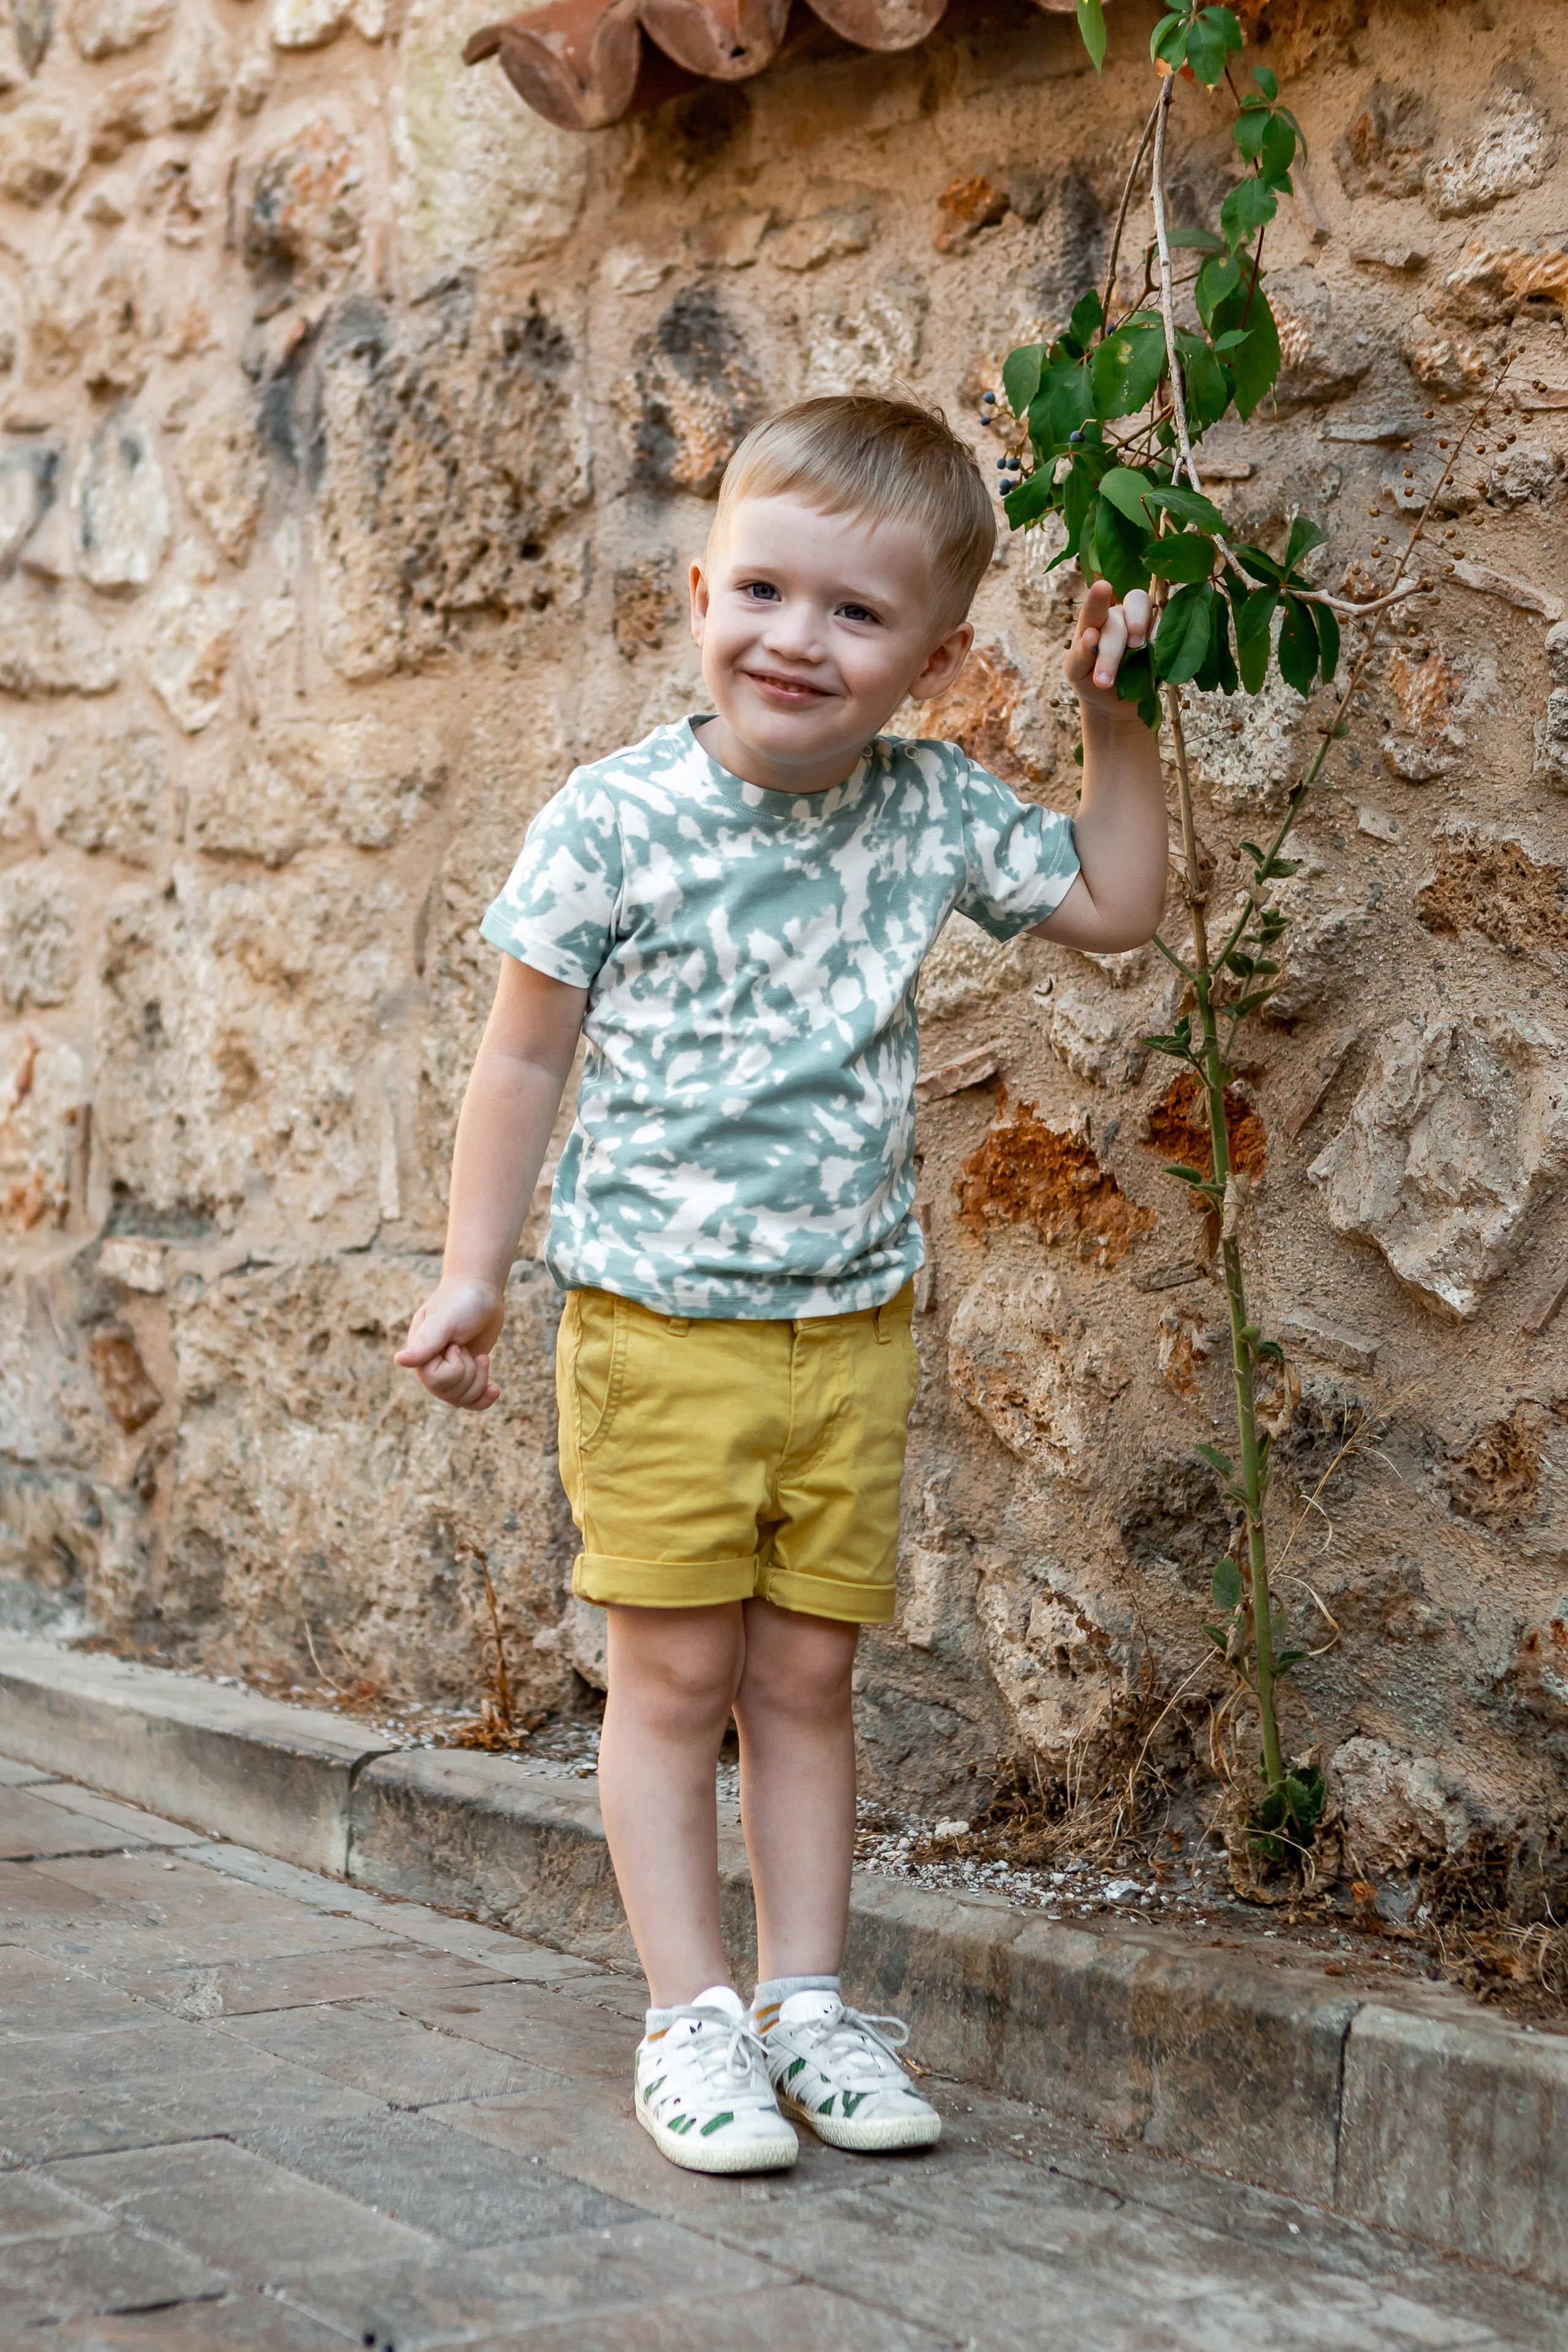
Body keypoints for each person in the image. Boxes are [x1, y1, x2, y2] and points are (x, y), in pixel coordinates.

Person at [396, 394, 1166, 2175]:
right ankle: (693, 2022)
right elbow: (519, 1064)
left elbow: (1119, 903)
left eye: (854, 614)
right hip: (660, 1333)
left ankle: (808, 2006)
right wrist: (470, 1275)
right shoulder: (614, 823)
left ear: (937, 656)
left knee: (808, 1683)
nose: (795, 641)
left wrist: (1115, 722)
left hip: (851, 1330)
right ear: (697, 595)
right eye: (762, 590)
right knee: (671, 1685)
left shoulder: (934, 814)